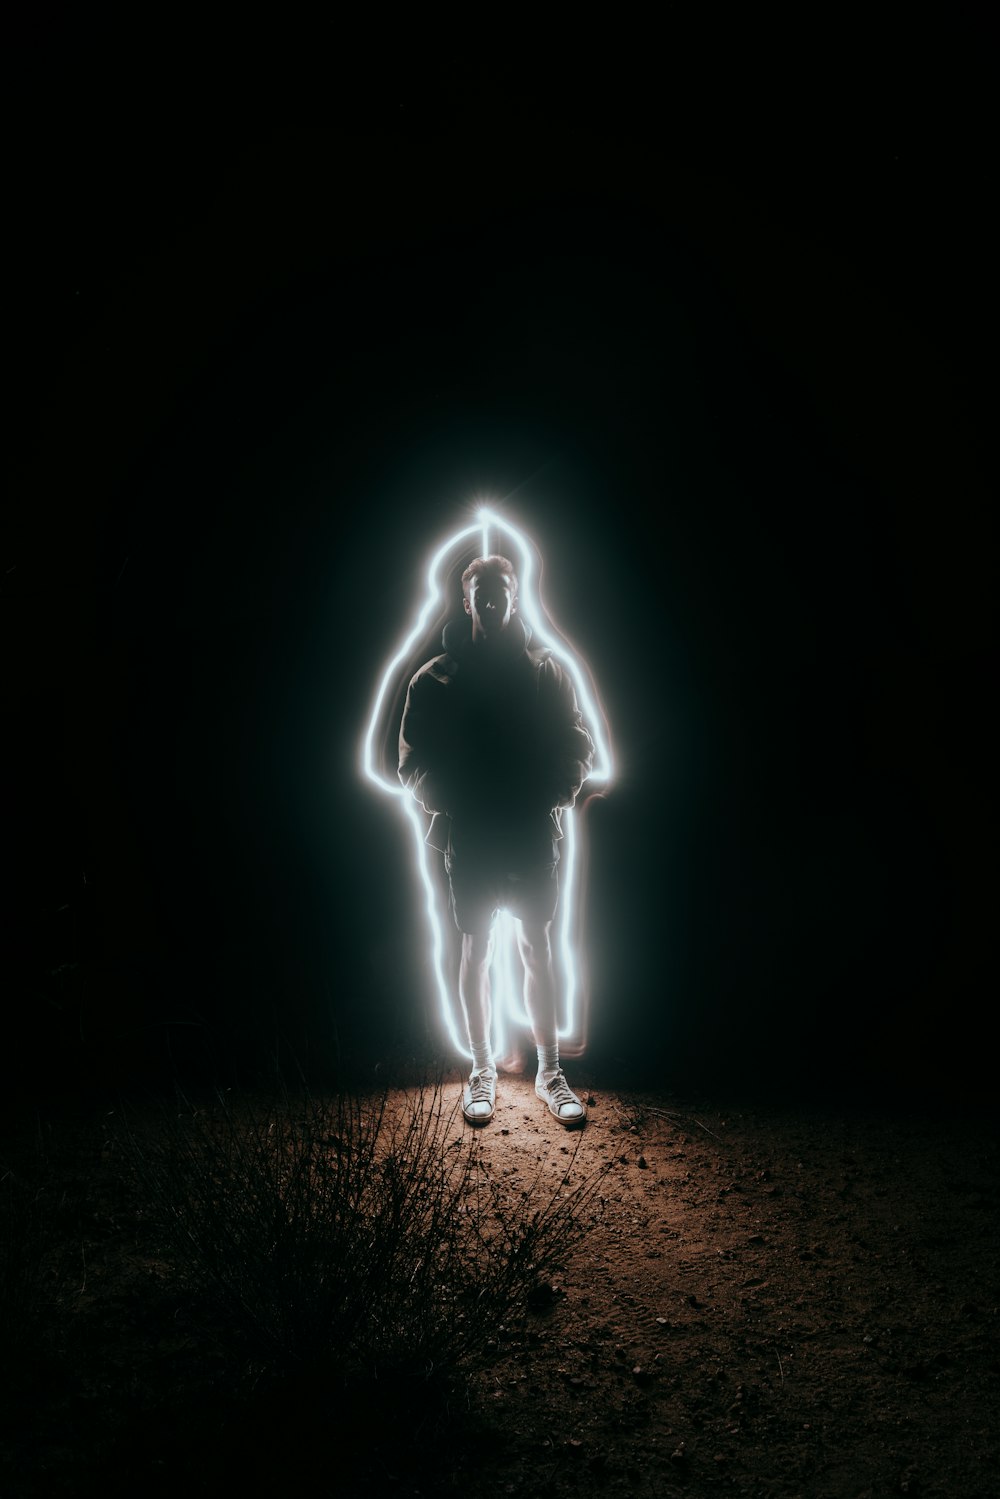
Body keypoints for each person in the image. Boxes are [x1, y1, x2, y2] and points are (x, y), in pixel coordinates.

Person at [398, 554, 595, 1126]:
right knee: (476, 947)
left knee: (538, 943)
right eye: (480, 589)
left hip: (531, 829)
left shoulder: (545, 670)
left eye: (500, 588)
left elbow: (575, 739)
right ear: (466, 600)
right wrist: (452, 799)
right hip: (473, 834)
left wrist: (557, 788)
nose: (490, 598)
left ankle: (549, 1072)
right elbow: (412, 759)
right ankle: (481, 1070)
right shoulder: (435, 676)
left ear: (516, 593)